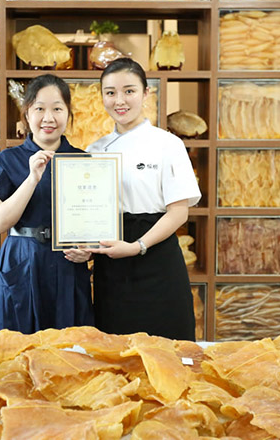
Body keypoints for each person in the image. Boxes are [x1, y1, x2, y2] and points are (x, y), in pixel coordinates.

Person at [85, 57, 201, 341]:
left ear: (146, 93)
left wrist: (138, 246)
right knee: (115, 352)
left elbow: (179, 212)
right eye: (110, 92)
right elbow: (88, 211)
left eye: (129, 91)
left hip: (157, 258)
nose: (119, 100)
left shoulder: (168, 144)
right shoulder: (94, 150)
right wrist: (83, 247)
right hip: (112, 266)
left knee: (169, 351)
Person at [0, 74, 93, 341]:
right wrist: (32, 179)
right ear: (27, 114)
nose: (48, 118)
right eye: (39, 108)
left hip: (67, 265)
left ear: (68, 113)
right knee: (17, 348)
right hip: (22, 261)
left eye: (57, 109)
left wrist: (89, 250)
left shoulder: (84, 161)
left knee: (68, 349)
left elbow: (91, 222)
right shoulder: (7, 160)